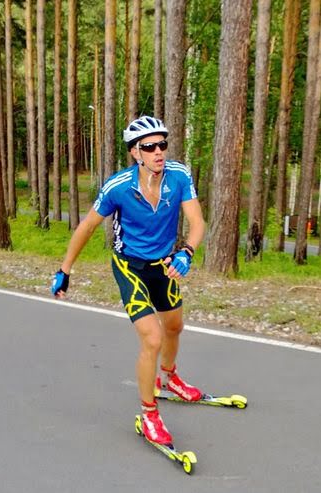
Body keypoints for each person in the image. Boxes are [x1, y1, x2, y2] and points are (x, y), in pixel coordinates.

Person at [51, 116, 206, 446]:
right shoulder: (118, 186)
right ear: (135, 153)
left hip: (164, 264)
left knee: (175, 326)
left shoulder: (179, 175)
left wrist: (187, 252)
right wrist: (65, 270)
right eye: (149, 147)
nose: (158, 151)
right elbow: (87, 227)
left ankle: (169, 377)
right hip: (130, 266)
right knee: (152, 338)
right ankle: (149, 415)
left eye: (162, 144)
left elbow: (197, 221)